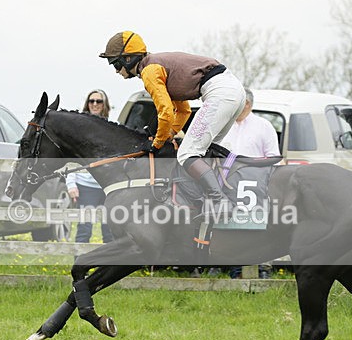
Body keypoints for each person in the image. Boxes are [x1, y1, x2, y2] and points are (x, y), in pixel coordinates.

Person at [99, 31, 246, 214]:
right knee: (207, 151)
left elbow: (166, 111)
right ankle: (215, 198)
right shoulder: (157, 67)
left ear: (128, 59)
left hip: (220, 93)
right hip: (234, 91)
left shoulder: (149, 71)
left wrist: (157, 142)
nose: (116, 70)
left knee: (187, 154)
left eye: (116, 64)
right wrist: (169, 134)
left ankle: (220, 201)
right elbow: (183, 110)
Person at [219, 87, 281, 279]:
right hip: (227, 184)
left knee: (255, 227)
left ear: (246, 104)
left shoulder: (264, 126)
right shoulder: (224, 125)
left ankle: (261, 267)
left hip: (253, 187)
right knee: (227, 224)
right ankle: (229, 265)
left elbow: (273, 157)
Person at [66, 90, 114, 244]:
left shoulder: (112, 129)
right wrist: (71, 183)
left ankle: (109, 260)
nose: (94, 104)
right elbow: (72, 157)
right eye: (91, 101)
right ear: (87, 104)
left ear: (104, 105)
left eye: (98, 101)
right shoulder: (79, 129)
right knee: (84, 229)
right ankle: (79, 260)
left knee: (110, 231)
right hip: (85, 186)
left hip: (107, 187)